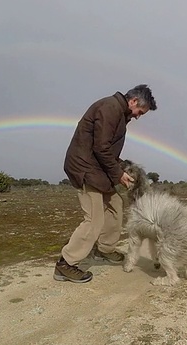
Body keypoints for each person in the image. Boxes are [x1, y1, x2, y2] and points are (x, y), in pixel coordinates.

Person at [53, 84, 157, 283]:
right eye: (140, 112)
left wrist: (120, 168)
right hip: (85, 169)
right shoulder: (109, 108)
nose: (138, 116)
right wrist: (118, 173)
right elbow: (101, 148)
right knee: (94, 219)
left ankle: (104, 249)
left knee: (115, 206)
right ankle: (65, 264)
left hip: (98, 170)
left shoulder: (119, 113)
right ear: (133, 101)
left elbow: (106, 149)